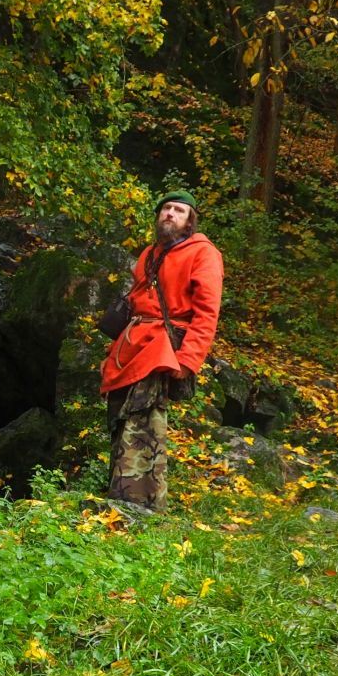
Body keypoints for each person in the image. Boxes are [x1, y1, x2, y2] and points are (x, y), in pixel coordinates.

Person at [100, 190, 223, 511]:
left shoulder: (204, 254)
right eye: (166, 208)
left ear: (190, 221)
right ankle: (122, 493)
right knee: (119, 416)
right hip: (132, 344)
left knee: (143, 418)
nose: (170, 214)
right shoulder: (148, 254)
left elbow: (207, 313)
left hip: (163, 349)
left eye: (179, 210)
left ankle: (140, 504)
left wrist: (188, 359)